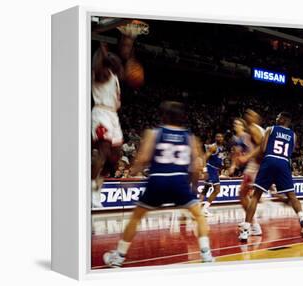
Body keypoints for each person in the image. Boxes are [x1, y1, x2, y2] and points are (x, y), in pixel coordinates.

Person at [102, 101, 214, 267]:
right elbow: (196, 167)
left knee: (136, 217)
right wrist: (192, 187)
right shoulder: (190, 137)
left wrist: (130, 174)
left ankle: (118, 257)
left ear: (163, 116)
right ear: (183, 117)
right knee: (199, 216)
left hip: (158, 180)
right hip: (179, 181)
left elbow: (143, 159)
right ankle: (206, 255)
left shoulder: (154, 133)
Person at [91, 20, 147, 208]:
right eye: (113, 58)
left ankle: (97, 186)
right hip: (101, 113)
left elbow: (125, 70)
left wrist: (129, 49)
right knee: (104, 150)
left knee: (114, 157)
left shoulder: (115, 75)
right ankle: (89, 186)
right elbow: (100, 61)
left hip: (113, 116)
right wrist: (102, 49)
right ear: (108, 60)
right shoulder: (102, 72)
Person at [238, 112, 303, 242]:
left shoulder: (270, 129)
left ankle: (246, 231)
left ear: (283, 119)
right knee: (292, 196)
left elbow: (263, 148)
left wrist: (250, 156)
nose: (276, 118)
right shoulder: (293, 135)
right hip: (283, 163)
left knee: (255, 196)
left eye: (278, 117)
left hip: (269, 161)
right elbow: (290, 152)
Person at [199, 133, 226, 216]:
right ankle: (203, 209)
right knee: (215, 189)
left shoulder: (222, 148)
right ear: (215, 138)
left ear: (223, 138)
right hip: (210, 169)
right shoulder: (213, 147)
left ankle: (201, 208)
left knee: (208, 189)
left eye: (221, 136)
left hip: (215, 170)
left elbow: (219, 160)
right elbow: (204, 158)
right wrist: (205, 170)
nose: (219, 138)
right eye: (217, 136)